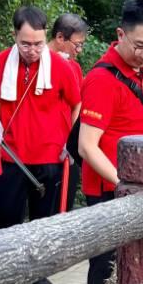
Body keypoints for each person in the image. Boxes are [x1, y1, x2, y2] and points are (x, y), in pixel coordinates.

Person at [78, 0, 143, 284]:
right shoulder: (101, 80)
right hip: (110, 189)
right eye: (140, 46)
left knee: (133, 263)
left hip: (134, 187)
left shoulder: (142, 72)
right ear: (121, 34)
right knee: (105, 268)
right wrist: (123, 182)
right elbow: (87, 146)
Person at [0, 6, 81, 284]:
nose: (32, 50)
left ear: (46, 38)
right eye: (25, 44)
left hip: (50, 157)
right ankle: (8, 272)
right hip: (11, 156)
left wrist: (67, 142)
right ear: (14, 36)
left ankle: (38, 272)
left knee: (44, 220)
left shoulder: (60, 65)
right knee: (8, 217)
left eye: (38, 44)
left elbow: (76, 103)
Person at [48, 13, 89, 211]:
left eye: (82, 45)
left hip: (64, 151)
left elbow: (77, 104)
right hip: (37, 153)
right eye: (77, 44)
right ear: (60, 38)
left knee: (62, 211)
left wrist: (71, 140)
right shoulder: (33, 59)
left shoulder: (73, 67)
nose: (79, 50)